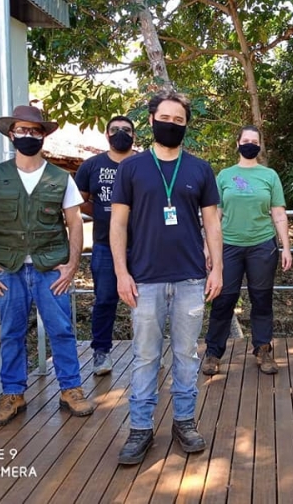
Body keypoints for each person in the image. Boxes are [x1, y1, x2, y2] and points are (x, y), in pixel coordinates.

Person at [110, 90, 223, 465]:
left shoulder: (200, 169)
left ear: (186, 125)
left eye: (179, 120)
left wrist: (218, 268)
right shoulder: (131, 168)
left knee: (187, 355)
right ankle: (140, 428)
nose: (171, 125)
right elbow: (118, 225)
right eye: (165, 118)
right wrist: (121, 273)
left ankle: (184, 422)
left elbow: (212, 223)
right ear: (151, 118)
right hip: (144, 279)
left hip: (191, 278)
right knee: (144, 357)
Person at [0, 104, 95, 426]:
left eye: (34, 131)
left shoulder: (60, 178)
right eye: (22, 130)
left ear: (43, 136)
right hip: (8, 269)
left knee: (62, 330)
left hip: (50, 268)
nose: (28, 136)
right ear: (12, 134)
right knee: (12, 332)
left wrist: (71, 265)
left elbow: (75, 223)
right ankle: (13, 393)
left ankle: (71, 389)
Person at [202, 125, 293, 376]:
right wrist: (208, 247)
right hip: (228, 246)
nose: (250, 144)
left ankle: (263, 349)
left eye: (255, 140)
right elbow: (215, 215)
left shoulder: (269, 176)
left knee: (261, 299)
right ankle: (213, 352)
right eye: (246, 140)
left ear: (260, 145)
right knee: (223, 299)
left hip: (262, 245)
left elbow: (278, 213)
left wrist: (286, 247)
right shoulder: (224, 176)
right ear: (238, 144)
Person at [75, 115, 137, 376]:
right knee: (105, 300)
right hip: (104, 245)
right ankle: (101, 353)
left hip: (144, 244)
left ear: (134, 135)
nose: (121, 133)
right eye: (115, 129)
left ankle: (149, 352)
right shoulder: (91, 166)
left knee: (149, 301)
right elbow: (79, 200)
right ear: (107, 135)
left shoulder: (145, 164)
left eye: (126, 129)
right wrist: (103, 212)